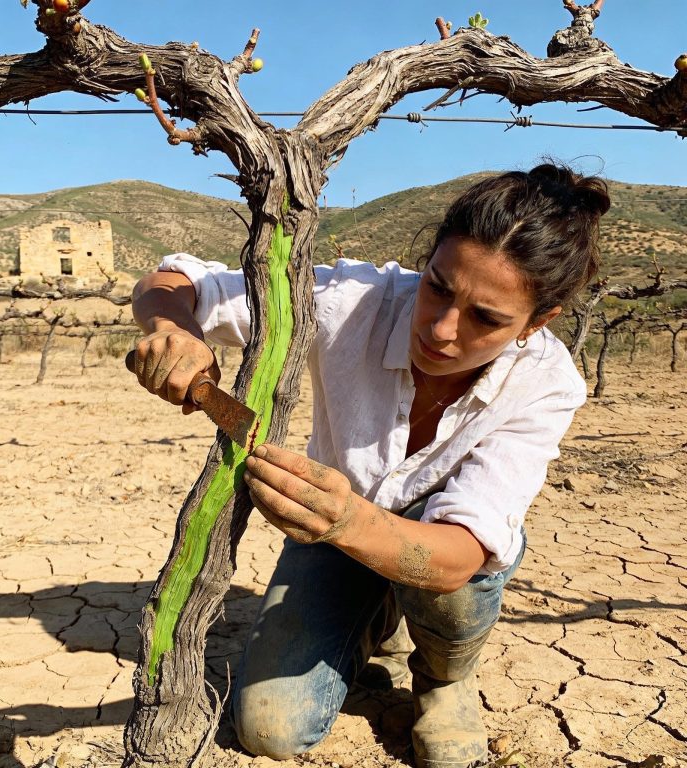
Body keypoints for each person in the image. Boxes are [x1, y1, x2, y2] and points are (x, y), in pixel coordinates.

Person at [130, 163, 610, 768]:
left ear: (539, 321)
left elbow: (461, 551)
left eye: (485, 318)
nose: (440, 328)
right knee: (270, 730)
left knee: (463, 580)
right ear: (428, 261)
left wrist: (346, 522)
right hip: (331, 533)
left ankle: (443, 678)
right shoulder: (354, 301)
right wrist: (174, 332)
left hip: (422, 548)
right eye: (437, 287)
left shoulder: (546, 383)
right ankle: (373, 617)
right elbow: (174, 281)